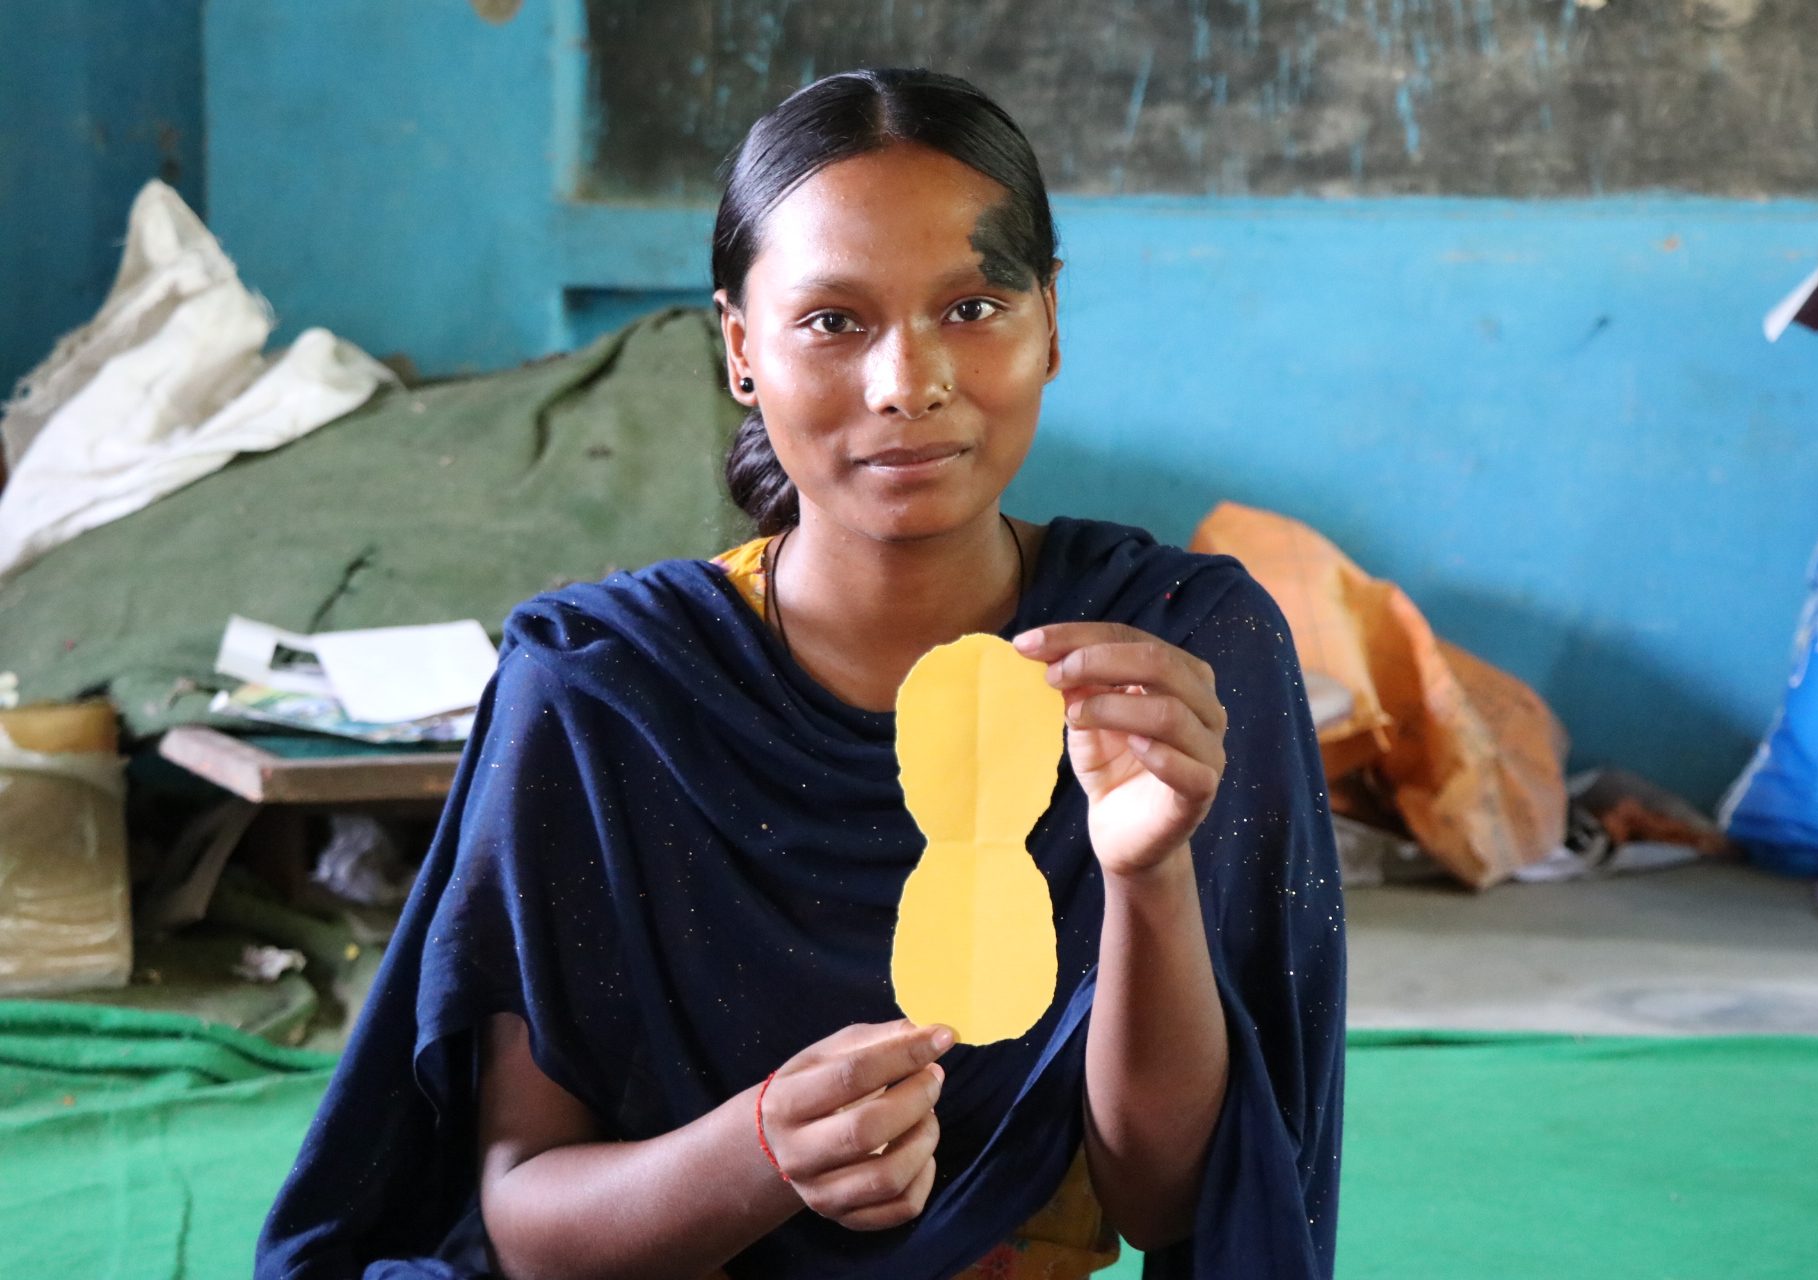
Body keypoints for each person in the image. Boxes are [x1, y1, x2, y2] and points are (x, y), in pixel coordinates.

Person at [257, 68, 1344, 1280]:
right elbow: (527, 1221)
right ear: (738, 346)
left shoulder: (1172, 659)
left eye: (973, 307)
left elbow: (1176, 1199)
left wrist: (1143, 874)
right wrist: (756, 1149)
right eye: (834, 321)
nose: (907, 383)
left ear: (1051, 319)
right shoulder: (609, 689)